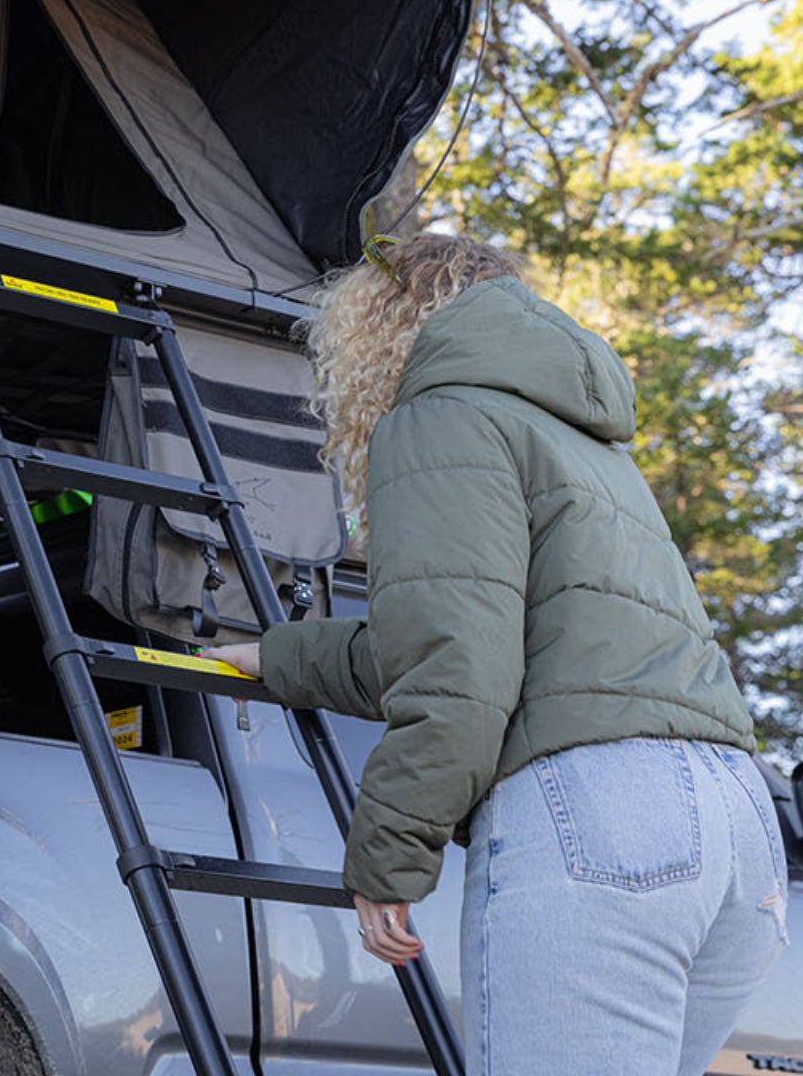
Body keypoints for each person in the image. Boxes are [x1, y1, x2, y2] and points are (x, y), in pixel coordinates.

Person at [219, 232, 786, 1076]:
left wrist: (388, 857)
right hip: (739, 828)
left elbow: (457, 670)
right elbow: (472, 647)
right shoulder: (589, 444)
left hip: (600, 815)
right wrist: (280, 655)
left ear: (383, 321)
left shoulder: (441, 416)